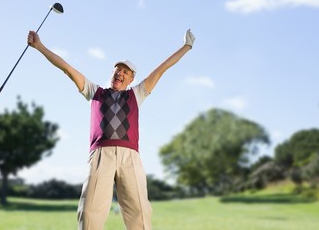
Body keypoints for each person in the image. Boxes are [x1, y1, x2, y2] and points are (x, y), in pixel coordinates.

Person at [27, 29, 195, 230]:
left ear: (131, 79)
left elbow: (161, 69)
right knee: (89, 215)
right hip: (101, 156)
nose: (120, 73)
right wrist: (40, 47)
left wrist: (186, 47)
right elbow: (67, 69)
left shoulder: (137, 94)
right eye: (117, 69)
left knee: (140, 214)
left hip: (130, 158)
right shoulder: (94, 92)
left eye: (126, 72)